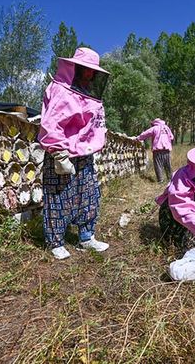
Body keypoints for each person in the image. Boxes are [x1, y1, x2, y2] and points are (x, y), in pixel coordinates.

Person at [38, 47, 111, 260]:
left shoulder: (90, 94)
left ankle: (86, 237)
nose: (90, 74)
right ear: (75, 68)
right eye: (85, 70)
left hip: (84, 154)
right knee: (58, 197)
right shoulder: (61, 90)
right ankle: (55, 241)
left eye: (92, 71)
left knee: (89, 196)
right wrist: (58, 153)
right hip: (61, 152)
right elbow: (51, 122)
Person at [137, 118, 174, 183]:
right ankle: (171, 180)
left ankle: (160, 180)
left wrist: (138, 138)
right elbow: (172, 137)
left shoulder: (154, 128)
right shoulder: (167, 128)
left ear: (154, 123)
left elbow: (145, 134)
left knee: (158, 165)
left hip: (158, 150)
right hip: (167, 150)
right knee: (168, 165)